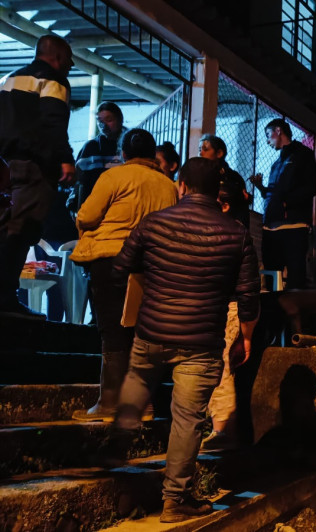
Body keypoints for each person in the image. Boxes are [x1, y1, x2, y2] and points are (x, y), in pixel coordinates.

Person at [111, 157, 260, 523]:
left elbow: (120, 267)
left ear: (181, 187)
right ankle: (173, 501)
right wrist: (244, 338)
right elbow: (249, 296)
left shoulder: (154, 223)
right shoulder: (236, 232)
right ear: (216, 193)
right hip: (201, 343)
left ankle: (114, 477)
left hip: (150, 333)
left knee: (133, 398)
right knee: (187, 420)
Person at [70, 128, 178, 421]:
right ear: (152, 154)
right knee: (141, 332)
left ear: (123, 153)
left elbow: (87, 216)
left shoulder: (113, 177)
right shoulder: (168, 186)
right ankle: (143, 405)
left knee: (112, 330)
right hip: (151, 263)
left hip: (110, 259)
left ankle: (109, 403)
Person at [0, 34, 75, 319]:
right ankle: (5, 299)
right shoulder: (53, 80)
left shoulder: (11, 79)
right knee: (20, 232)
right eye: (69, 59)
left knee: (6, 229)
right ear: (57, 57)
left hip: (6, 168)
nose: (70, 65)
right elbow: (54, 122)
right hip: (34, 167)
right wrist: (65, 159)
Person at [200, 171, 252, 452]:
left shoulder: (230, 233)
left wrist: (247, 332)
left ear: (224, 204)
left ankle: (222, 430)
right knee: (217, 368)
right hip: (220, 306)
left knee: (222, 369)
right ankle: (220, 429)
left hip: (226, 307)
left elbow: (247, 285)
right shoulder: (237, 231)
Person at [248, 119, 316, 290]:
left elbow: (312, 187)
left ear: (278, 131)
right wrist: (261, 188)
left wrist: (286, 203)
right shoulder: (277, 164)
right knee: (270, 277)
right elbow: (275, 194)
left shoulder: (303, 155)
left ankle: (294, 307)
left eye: (268, 134)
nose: (267, 140)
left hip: (293, 226)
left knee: (295, 277)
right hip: (271, 227)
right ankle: (273, 307)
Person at [67, 101, 125, 217]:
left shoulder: (129, 146)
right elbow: (79, 182)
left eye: (109, 120)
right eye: (100, 121)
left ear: (120, 119)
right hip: (95, 210)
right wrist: (75, 208)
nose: (103, 126)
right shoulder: (91, 147)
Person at [198, 133, 249, 227]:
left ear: (219, 153)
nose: (200, 153)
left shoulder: (232, 178)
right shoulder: (199, 174)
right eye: (199, 150)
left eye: (205, 149)